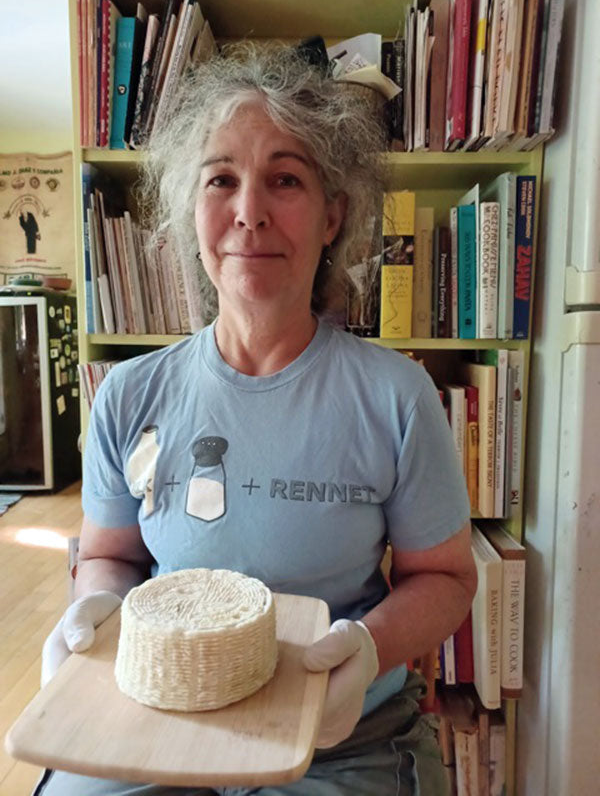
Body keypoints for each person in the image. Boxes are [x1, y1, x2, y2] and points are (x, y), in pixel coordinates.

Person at [37, 43, 477, 796]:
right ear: (190, 210)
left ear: (334, 213)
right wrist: (94, 612)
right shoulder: (128, 396)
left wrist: (368, 650)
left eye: (285, 178)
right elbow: (112, 555)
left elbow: (445, 577)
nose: (250, 211)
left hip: (344, 740)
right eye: (221, 180)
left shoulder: (397, 397)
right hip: (162, 717)